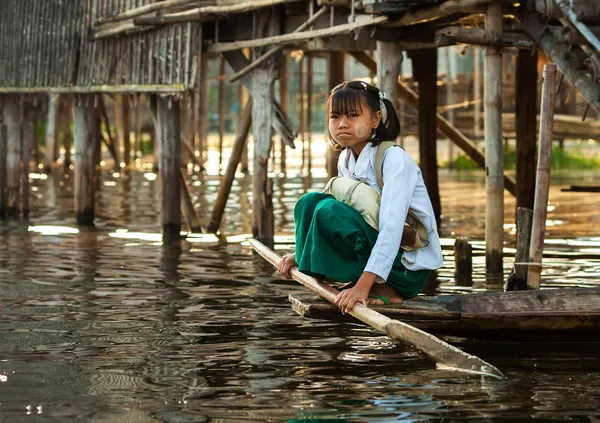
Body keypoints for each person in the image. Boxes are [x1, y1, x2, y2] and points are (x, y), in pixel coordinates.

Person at [278, 80, 443, 314]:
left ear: (375, 119)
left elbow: (391, 229)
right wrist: (300, 253)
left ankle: (386, 289)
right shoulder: (346, 158)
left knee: (329, 212)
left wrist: (362, 287)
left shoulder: (394, 159)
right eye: (335, 117)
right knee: (310, 203)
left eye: (353, 115)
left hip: (405, 269)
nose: (342, 124)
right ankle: (315, 267)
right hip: (375, 253)